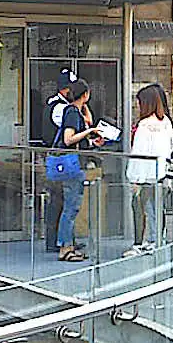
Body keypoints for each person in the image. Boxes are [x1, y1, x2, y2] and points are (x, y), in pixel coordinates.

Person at [53, 79, 105, 262]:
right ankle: (65, 247)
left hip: (75, 165)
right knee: (70, 208)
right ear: (85, 94)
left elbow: (86, 124)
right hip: (72, 167)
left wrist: (90, 138)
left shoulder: (74, 111)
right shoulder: (72, 113)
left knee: (72, 207)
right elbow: (69, 139)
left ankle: (68, 245)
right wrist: (91, 130)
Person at [124, 85, 173, 257]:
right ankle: (156, 239)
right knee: (157, 209)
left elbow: (139, 153)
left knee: (142, 209)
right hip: (161, 174)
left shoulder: (145, 125)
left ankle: (140, 243)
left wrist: (134, 177)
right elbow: (171, 147)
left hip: (145, 176)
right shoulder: (166, 122)